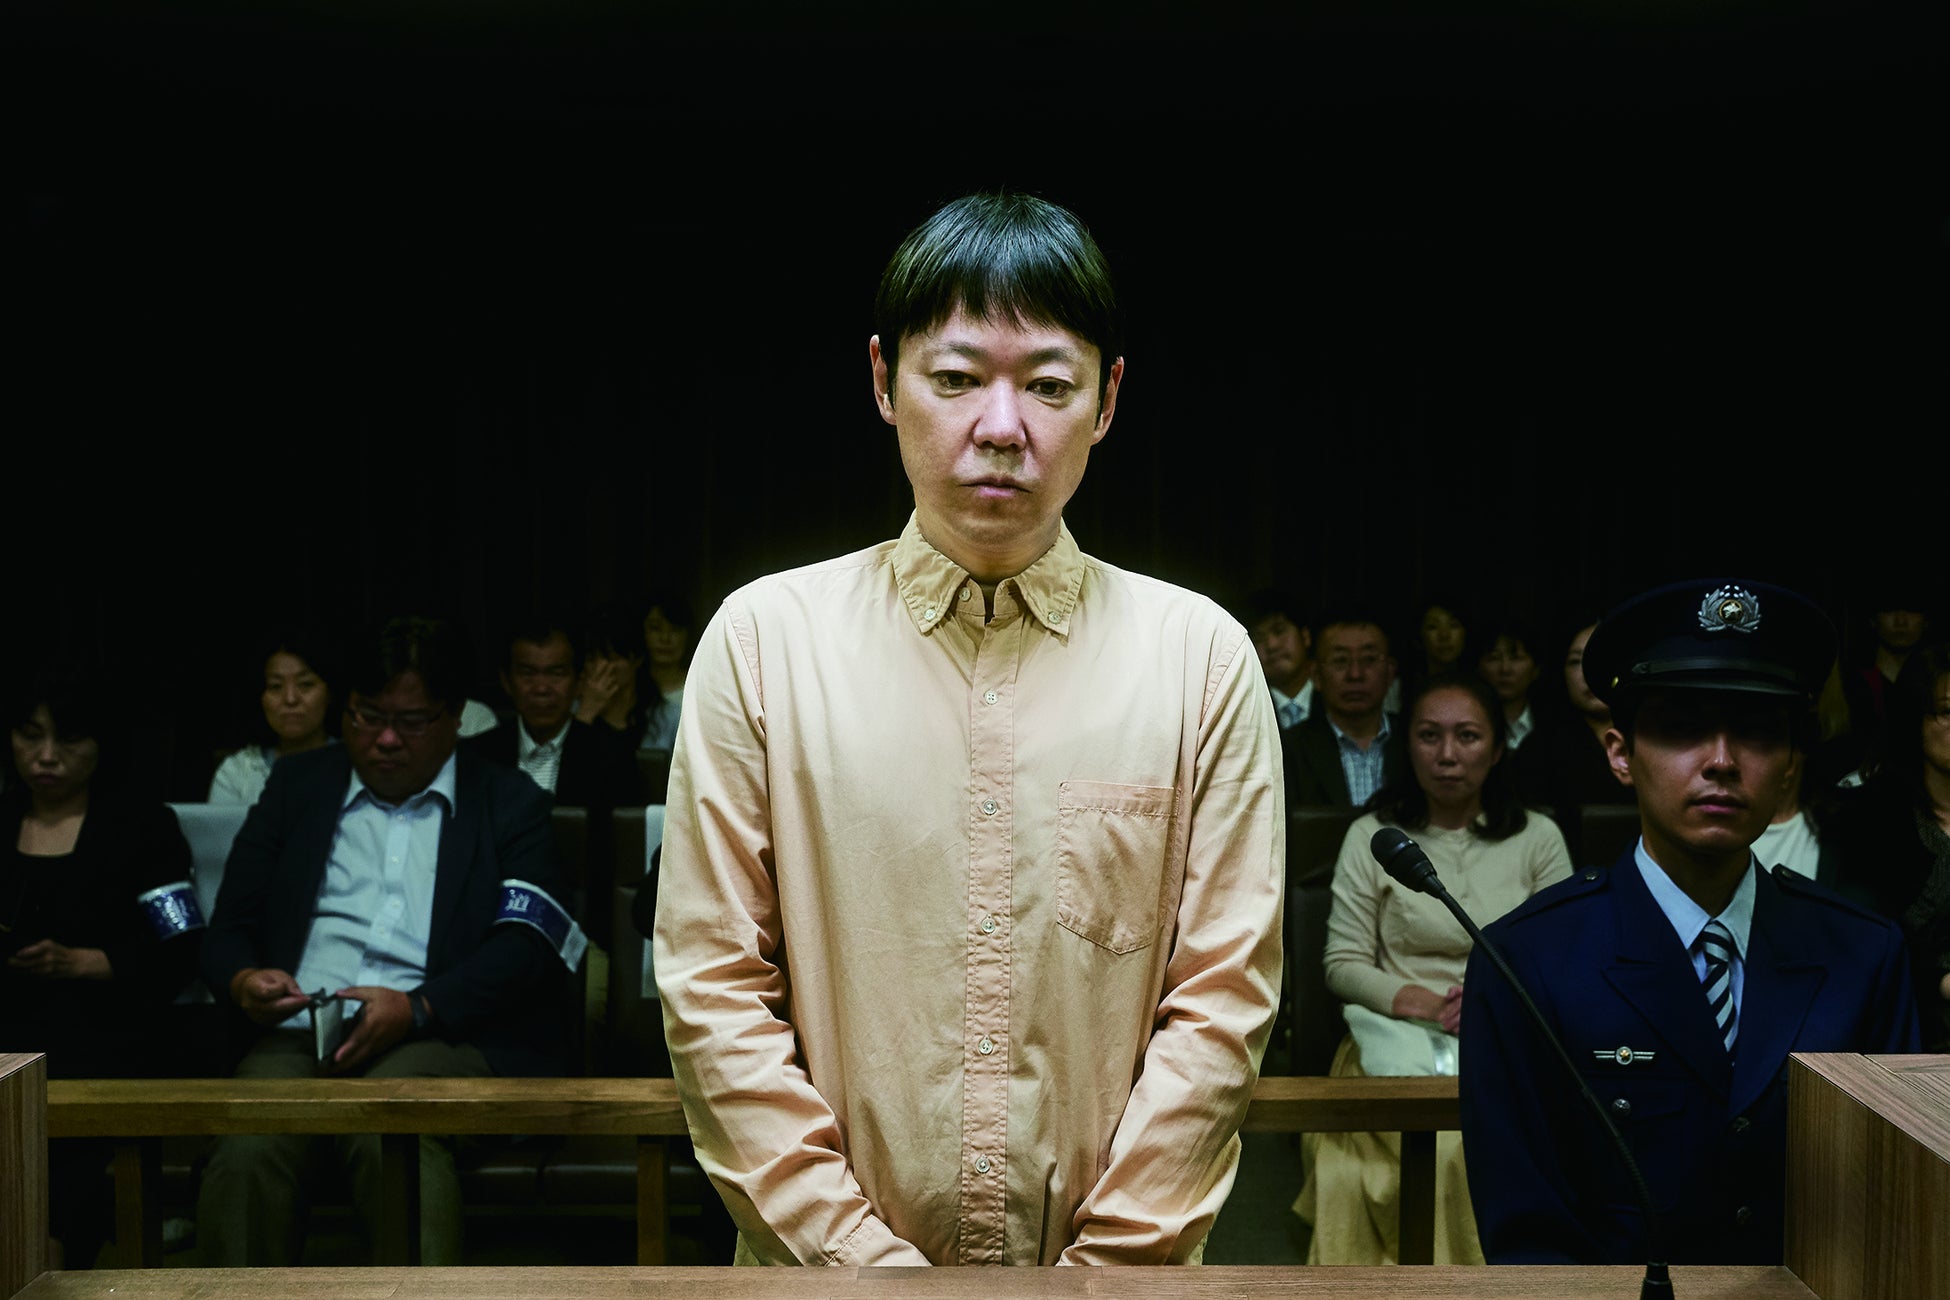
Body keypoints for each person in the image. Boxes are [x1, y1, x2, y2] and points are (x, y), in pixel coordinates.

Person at [653, 192, 1285, 1267]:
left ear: (1108, 399)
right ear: (882, 381)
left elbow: (1221, 1004)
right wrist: (865, 1271)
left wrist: (1099, 1281)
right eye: (953, 379)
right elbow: (713, 990)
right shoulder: (764, 643)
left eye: (1048, 385)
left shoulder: (1200, 660)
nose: (1001, 427)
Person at [1461, 579, 1919, 1266]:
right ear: (1620, 754)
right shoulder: (1528, 962)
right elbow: (1529, 1237)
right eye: (1682, 728)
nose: (1722, 762)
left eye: (1758, 733)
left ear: (1789, 764)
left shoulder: (1863, 954)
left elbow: (1891, 1205)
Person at [196, 615, 579, 1266]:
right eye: (367, 717)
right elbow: (229, 925)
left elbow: (528, 947)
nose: (387, 739)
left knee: (390, 1124)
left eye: (413, 721)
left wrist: (418, 1007)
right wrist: (242, 980)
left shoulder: (509, 802)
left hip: (446, 1033)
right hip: (302, 1028)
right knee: (249, 1144)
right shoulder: (297, 787)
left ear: (456, 718)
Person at [1294, 672, 1571, 1264]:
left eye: (1467, 736)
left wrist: (1492, 1005)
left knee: (1473, 1146)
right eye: (1429, 736)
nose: (1447, 755)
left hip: (1507, 1034)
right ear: (1408, 745)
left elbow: (1566, 961)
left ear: (1497, 749)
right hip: (1390, 1036)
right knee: (1429, 1148)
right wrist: (1427, 1003)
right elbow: (1342, 963)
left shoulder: (1539, 837)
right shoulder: (1372, 835)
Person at [3, 667, 203, 1264]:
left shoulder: (144, 827)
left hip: (104, 1032)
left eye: (67, 739)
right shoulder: (2, 817)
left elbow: (182, 942)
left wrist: (85, 962)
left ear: (100, 744)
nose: (46, 756)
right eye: (30, 735)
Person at [1827, 642, 1950, 1049]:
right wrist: (1939, 980)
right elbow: (1855, 939)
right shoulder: (1872, 818)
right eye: (1948, 712)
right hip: (1899, 1034)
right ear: (1916, 717)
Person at [467, 614, 644, 808]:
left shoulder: (613, 758)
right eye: (527, 673)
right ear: (506, 681)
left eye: (556, 674)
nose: (542, 688)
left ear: (579, 682)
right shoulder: (475, 756)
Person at [1281, 607, 1407, 810]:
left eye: (1369, 659)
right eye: (1340, 661)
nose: (1355, 674)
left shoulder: (1416, 740)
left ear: (1390, 672)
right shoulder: (1288, 750)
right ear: (1316, 675)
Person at [208, 631, 338, 806]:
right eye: (276, 686)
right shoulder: (238, 773)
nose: (290, 699)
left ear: (329, 693)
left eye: (305, 684)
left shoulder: (356, 765)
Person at [1240, 588, 1315, 731]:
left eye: (1279, 631)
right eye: (1258, 638)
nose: (1271, 645)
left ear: (1305, 636)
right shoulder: (1246, 709)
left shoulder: (1338, 696)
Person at [635, 591, 694, 758]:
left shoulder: (698, 688)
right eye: (655, 628)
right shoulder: (629, 689)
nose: (665, 638)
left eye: (675, 629)